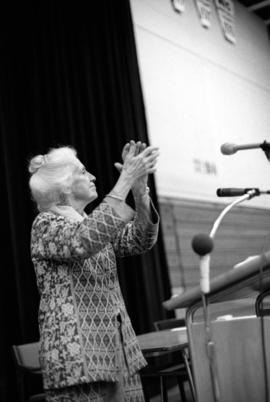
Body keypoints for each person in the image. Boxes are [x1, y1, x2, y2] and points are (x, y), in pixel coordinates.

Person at [28, 140, 160, 402]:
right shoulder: (45, 223)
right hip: (78, 355)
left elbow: (140, 239)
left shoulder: (90, 222)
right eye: (83, 171)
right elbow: (83, 241)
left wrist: (138, 190)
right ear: (63, 184)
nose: (92, 176)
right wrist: (124, 180)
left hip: (118, 350)